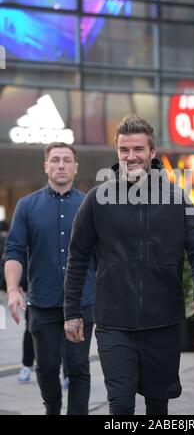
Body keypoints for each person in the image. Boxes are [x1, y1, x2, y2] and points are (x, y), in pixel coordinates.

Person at [64, 113, 194, 415]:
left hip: (164, 324)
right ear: (117, 152)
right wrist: (71, 312)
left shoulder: (177, 199)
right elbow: (77, 257)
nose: (130, 157)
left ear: (152, 152)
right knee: (120, 406)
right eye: (124, 150)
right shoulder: (96, 200)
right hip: (113, 323)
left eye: (138, 150)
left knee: (158, 407)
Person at [4, 142, 95, 415]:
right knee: (45, 368)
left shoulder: (90, 205)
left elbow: (103, 257)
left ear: (76, 167)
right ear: (45, 166)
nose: (61, 165)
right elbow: (14, 251)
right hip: (42, 304)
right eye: (55, 160)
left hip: (82, 303)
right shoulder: (27, 205)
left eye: (67, 160)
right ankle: (52, 409)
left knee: (79, 368)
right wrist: (12, 289)